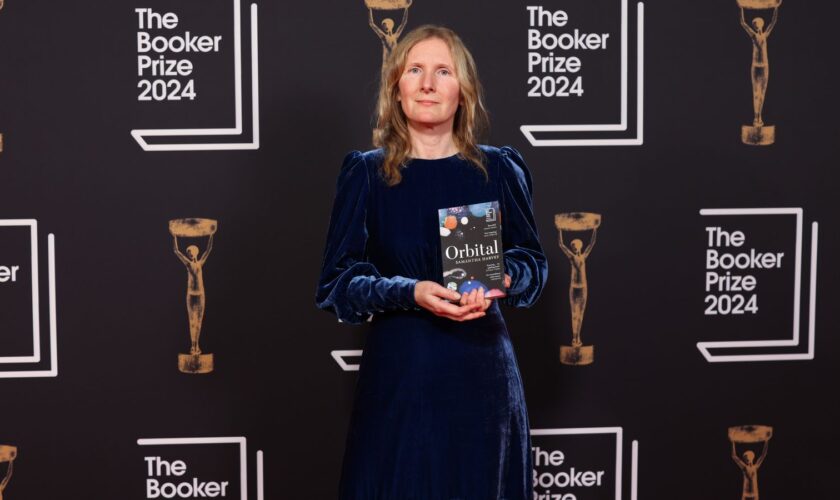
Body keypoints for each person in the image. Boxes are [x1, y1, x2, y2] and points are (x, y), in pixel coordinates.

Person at [316, 25, 547, 499]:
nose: (427, 83)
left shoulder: (500, 167)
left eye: (443, 71)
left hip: (482, 375)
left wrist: (504, 275)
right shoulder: (366, 172)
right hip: (403, 373)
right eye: (415, 70)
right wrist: (410, 290)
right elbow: (338, 284)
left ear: (462, 91)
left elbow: (533, 263)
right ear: (396, 89)